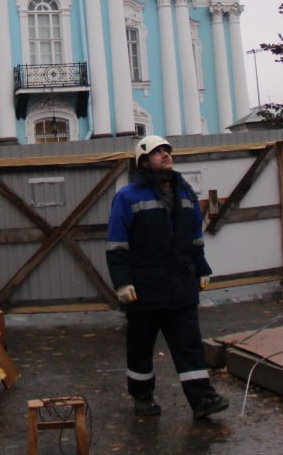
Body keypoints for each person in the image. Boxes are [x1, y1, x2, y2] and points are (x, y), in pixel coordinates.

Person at [106, 135, 229, 418]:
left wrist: (202, 268)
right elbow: (116, 243)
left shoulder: (184, 192)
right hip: (144, 288)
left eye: (167, 151)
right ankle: (142, 397)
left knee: (189, 344)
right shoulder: (127, 196)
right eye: (158, 152)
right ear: (143, 161)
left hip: (181, 284)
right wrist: (122, 282)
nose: (165, 155)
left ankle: (202, 400)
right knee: (140, 346)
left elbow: (195, 236)